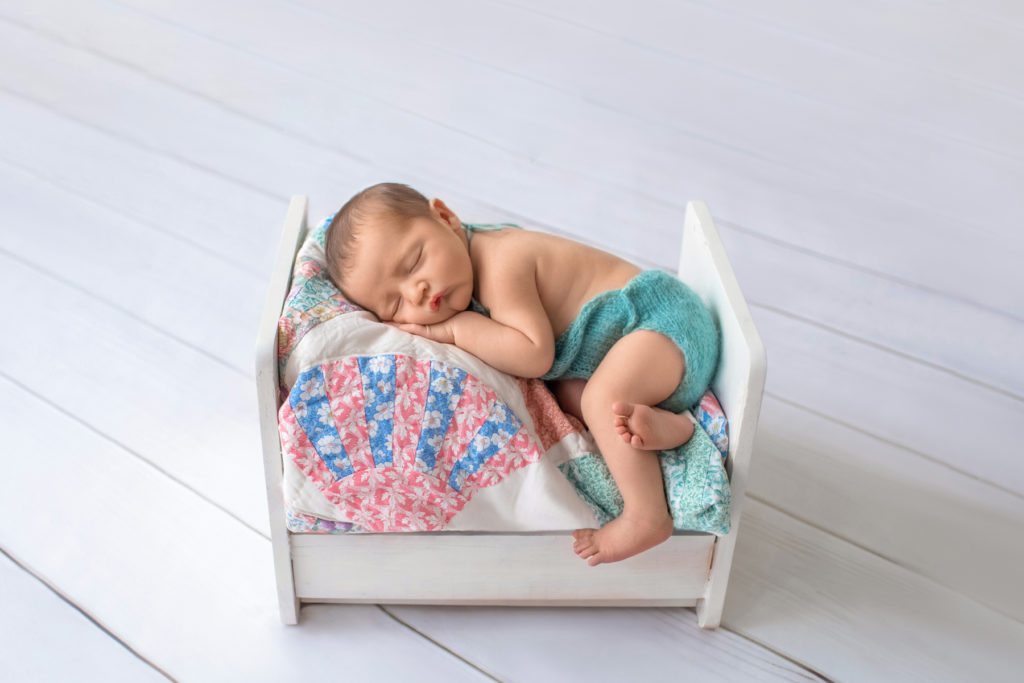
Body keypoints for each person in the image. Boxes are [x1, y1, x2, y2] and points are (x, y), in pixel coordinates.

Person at [325, 183, 719, 565]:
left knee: (601, 398)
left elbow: (534, 356)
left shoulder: (502, 262)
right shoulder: (462, 266)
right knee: (571, 399)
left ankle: (646, 517)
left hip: (666, 322)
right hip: (644, 360)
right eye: (394, 304)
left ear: (445, 217)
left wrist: (452, 330)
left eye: (413, 263)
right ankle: (674, 430)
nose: (416, 292)